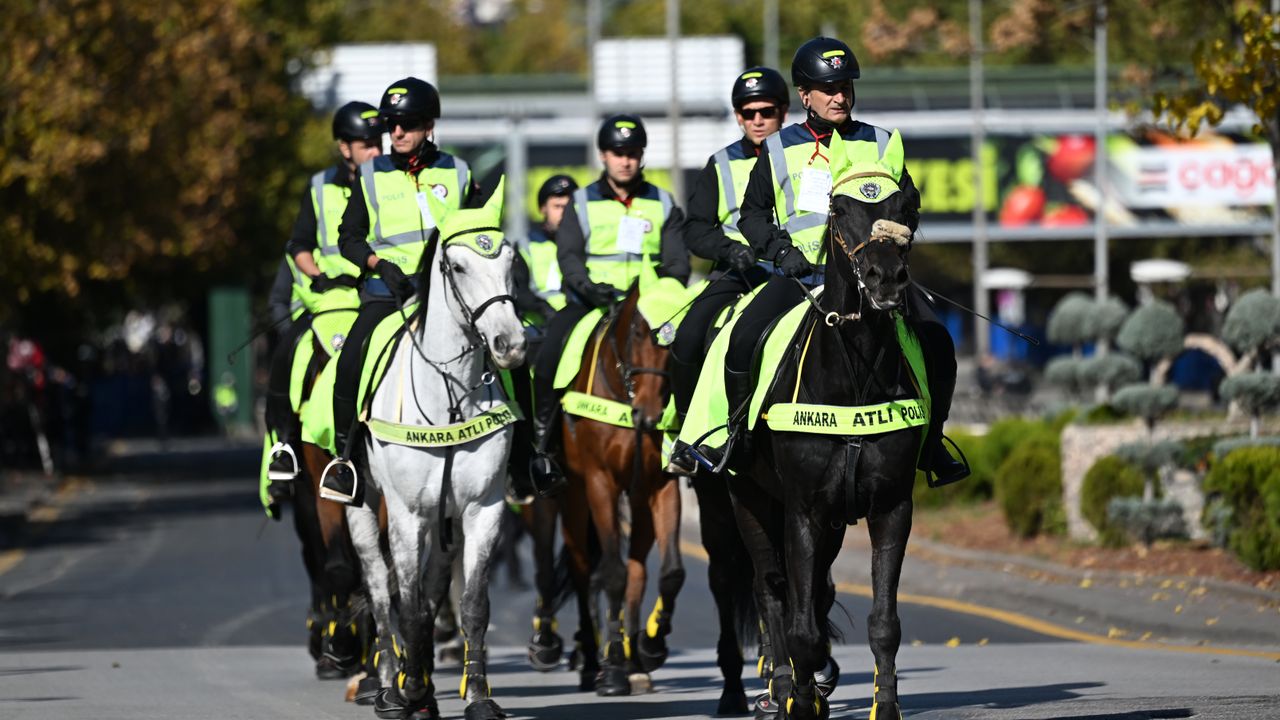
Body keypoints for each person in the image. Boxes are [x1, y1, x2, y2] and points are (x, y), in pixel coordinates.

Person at [708, 36, 968, 485]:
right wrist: (780, 252)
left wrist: (893, 241)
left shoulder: (881, 142)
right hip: (800, 276)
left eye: (845, 85)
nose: (839, 95)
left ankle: (933, 445)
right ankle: (738, 438)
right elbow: (750, 216)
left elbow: (909, 202)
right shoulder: (777, 148)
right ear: (804, 95)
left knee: (939, 343)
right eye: (827, 88)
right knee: (744, 337)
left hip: (872, 278)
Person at [319, 77, 479, 504]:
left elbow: (478, 234)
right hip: (387, 296)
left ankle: (525, 456)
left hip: (448, 299)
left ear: (429, 125)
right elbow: (350, 238)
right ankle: (345, 459)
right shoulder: (370, 175)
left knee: (509, 352)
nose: (397, 134)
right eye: (392, 126)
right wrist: (379, 265)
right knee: (351, 356)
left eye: (406, 125)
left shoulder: (460, 173)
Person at [526, 115, 689, 493]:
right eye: (618, 153)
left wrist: (658, 295)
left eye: (632, 153)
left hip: (647, 309)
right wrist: (591, 288)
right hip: (592, 303)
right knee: (551, 350)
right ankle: (541, 446)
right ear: (603, 155)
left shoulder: (662, 202)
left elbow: (677, 263)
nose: (626, 161)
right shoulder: (581, 202)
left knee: (689, 349)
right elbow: (568, 256)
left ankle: (690, 439)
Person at [666, 66, 790, 473]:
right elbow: (695, 229)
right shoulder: (719, 164)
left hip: (797, 273)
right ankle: (688, 439)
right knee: (687, 337)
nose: (757, 120)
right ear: (738, 116)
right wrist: (729, 249)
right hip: (739, 274)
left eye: (766, 111)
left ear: (784, 112)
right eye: (748, 112)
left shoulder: (805, 155)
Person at [262, 101, 384, 500]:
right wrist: (317, 276)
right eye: (366, 145)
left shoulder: (389, 181)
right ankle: (283, 446)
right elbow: (299, 244)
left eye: (377, 142)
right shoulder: (319, 188)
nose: (376, 151)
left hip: (375, 296)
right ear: (344, 148)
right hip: (329, 300)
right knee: (289, 355)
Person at [517, 174, 579, 322]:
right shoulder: (526, 245)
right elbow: (519, 291)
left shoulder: (587, 243)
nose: (564, 213)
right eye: (557, 207)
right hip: (537, 329)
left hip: (578, 322)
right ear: (543, 208)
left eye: (569, 207)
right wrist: (543, 308)